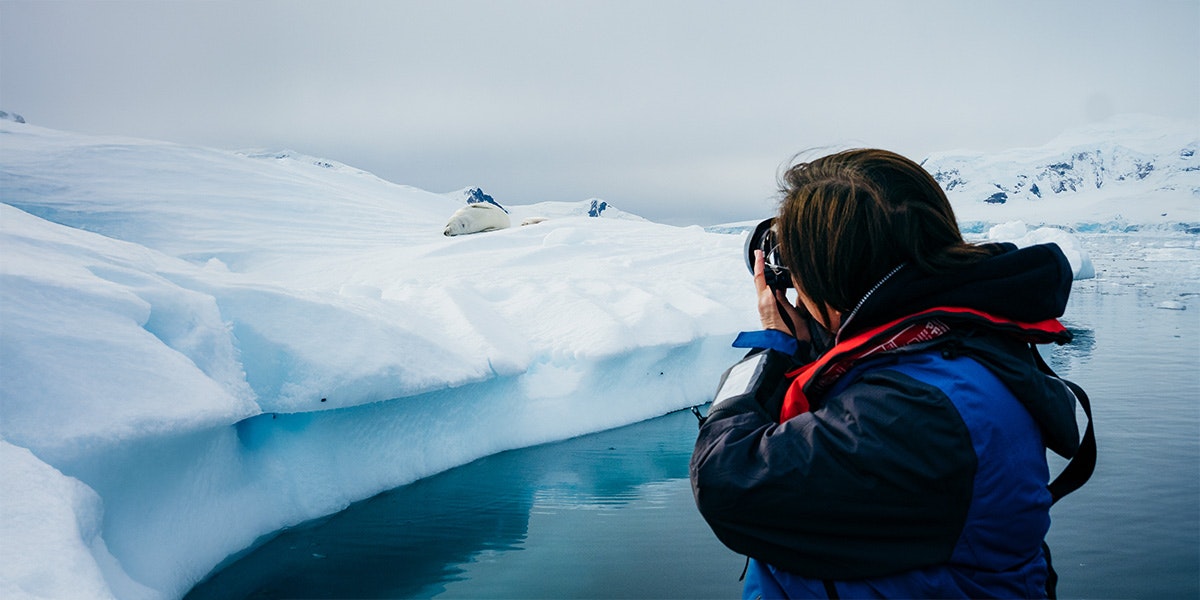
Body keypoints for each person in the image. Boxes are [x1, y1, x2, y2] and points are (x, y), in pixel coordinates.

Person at [690, 149, 1092, 599]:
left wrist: (773, 346)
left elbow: (725, 481)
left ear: (834, 274)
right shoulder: (946, 346)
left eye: (801, 264)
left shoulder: (920, 410)